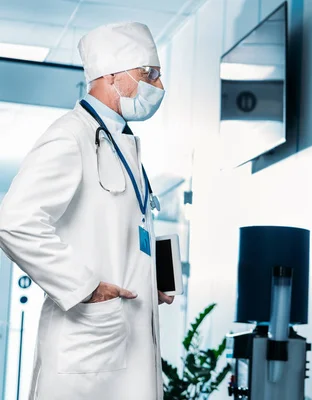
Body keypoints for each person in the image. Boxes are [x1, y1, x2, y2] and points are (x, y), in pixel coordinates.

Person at [0, 22, 173, 400]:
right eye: (150, 74)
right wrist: (85, 288)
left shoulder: (118, 141)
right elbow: (13, 222)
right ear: (111, 76)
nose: (158, 87)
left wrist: (151, 278)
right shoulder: (70, 135)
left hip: (121, 333)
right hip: (92, 342)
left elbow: (118, 233)